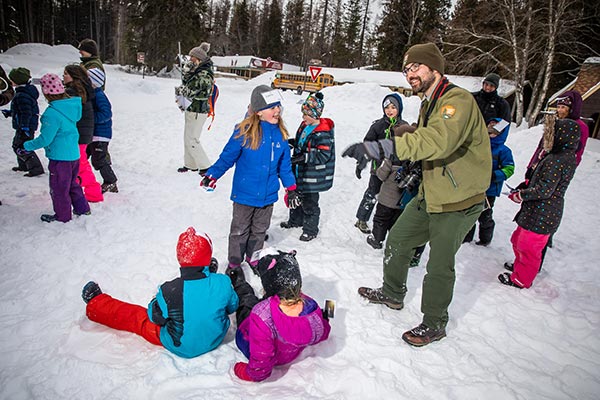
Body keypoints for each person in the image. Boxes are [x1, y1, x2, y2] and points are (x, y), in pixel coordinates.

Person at [342, 43, 491, 346]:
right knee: (398, 240)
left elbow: (437, 140)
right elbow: (420, 141)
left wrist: (381, 147)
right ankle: (393, 293)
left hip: (459, 201)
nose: (410, 73)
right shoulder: (429, 103)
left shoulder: (456, 101)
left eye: (416, 67)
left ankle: (435, 323)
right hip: (431, 193)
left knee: (438, 263)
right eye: (406, 69)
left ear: (435, 68)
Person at [81, 227, 239, 358]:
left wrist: (158, 301)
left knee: (138, 317)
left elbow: (154, 317)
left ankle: (97, 304)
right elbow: (233, 306)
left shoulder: (170, 290)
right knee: (213, 299)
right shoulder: (222, 282)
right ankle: (204, 275)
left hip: (180, 345)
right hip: (215, 337)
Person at [200, 85, 299, 273]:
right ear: (259, 112)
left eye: (278, 106)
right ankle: (235, 263)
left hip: (268, 196)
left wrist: (291, 188)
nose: (277, 110)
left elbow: (284, 167)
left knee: (260, 230)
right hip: (244, 195)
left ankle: (254, 258)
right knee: (239, 231)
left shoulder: (281, 135)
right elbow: (227, 158)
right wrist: (212, 175)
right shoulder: (244, 132)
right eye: (272, 107)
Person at [228, 249, 331, 382]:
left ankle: (239, 283)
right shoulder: (311, 307)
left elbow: (260, 364)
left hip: (250, 342)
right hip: (289, 353)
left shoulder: (261, 315)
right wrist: (326, 315)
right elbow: (322, 331)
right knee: (258, 304)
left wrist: (245, 372)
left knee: (247, 301)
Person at [499, 118, 579, 288]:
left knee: (528, 248)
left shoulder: (557, 159)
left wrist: (521, 195)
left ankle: (521, 279)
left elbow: (544, 190)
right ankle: (520, 267)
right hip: (537, 210)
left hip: (543, 212)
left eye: (553, 133)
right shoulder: (562, 155)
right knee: (518, 240)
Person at [22, 73, 90, 222]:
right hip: (73, 155)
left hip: (60, 159)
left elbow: (45, 139)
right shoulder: (70, 107)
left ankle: (62, 216)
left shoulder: (52, 114)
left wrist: (27, 145)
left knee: (59, 188)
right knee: (73, 184)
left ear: (46, 92)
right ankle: (82, 209)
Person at [280, 92, 335, 241]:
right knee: (296, 196)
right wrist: (292, 142)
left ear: (315, 114)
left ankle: (310, 229)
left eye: (306, 114)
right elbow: (301, 141)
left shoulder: (322, 133)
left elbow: (324, 155)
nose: (303, 117)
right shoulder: (305, 125)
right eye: (303, 113)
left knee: (310, 203)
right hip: (300, 171)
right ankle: (295, 220)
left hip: (312, 177)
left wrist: (304, 157)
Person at [354, 94, 408, 234]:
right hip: (378, 168)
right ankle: (362, 219)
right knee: (373, 192)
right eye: (386, 107)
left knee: (391, 196)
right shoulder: (378, 126)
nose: (389, 110)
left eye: (393, 107)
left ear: (399, 108)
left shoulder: (403, 126)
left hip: (395, 169)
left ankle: (388, 222)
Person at [366, 142, 426, 267]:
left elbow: (381, 175)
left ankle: (377, 239)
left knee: (381, 220)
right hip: (403, 201)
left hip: (386, 199)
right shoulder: (418, 158)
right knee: (396, 223)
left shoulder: (392, 156)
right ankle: (392, 242)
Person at [463, 118, 514, 246]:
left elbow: (509, 169)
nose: (490, 135)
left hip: (490, 189)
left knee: (485, 214)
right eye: (488, 132)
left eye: (494, 133)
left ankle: (485, 238)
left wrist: (495, 175)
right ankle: (466, 236)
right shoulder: (479, 146)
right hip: (473, 186)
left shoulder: (504, 151)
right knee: (468, 211)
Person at [63, 64, 104, 203]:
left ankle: (93, 192)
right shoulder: (80, 90)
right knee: (78, 164)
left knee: (81, 164)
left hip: (79, 134)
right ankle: (79, 189)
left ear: (74, 77)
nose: (63, 76)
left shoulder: (74, 92)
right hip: (80, 133)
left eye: (66, 74)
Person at [176, 42, 215, 174]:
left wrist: (181, 90)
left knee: (193, 139)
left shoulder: (204, 74)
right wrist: (187, 72)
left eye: (193, 58)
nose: (190, 60)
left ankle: (206, 166)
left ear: (199, 59)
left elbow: (190, 89)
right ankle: (190, 164)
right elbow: (187, 83)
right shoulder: (197, 70)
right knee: (187, 137)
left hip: (199, 110)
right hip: (191, 108)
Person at [2, 67, 45, 177]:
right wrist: (11, 112)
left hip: (26, 126)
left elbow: (26, 113)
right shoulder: (24, 92)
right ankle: (24, 165)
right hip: (23, 125)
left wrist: (24, 127)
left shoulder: (22, 95)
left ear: (16, 81)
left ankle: (36, 168)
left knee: (23, 146)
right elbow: (21, 110)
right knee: (17, 145)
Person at [87, 69, 118, 193]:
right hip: (93, 133)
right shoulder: (93, 94)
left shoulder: (99, 95)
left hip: (101, 134)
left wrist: (91, 118)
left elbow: (106, 113)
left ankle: (111, 181)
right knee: (84, 156)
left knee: (99, 159)